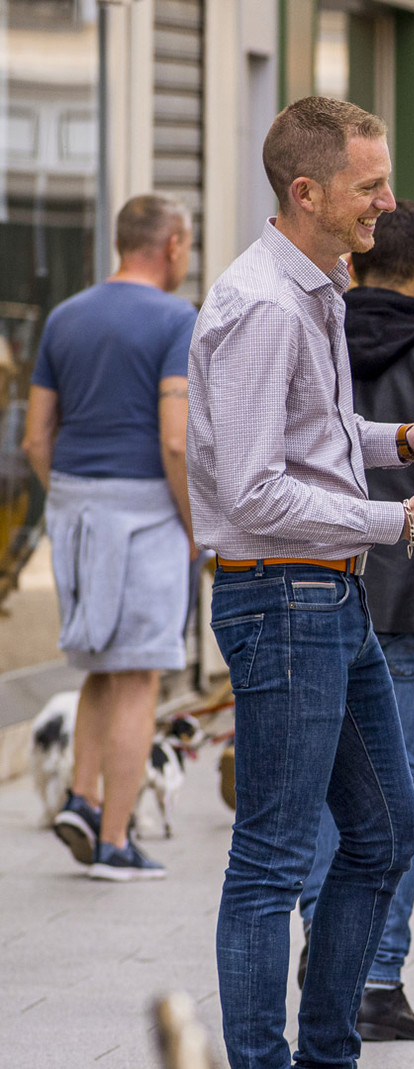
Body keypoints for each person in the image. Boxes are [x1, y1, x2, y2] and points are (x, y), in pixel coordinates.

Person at [188, 96, 414, 1069]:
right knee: (273, 858)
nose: (388, 203)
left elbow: (316, 444)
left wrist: (404, 441)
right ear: (306, 192)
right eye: (370, 187)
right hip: (282, 595)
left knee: (382, 831)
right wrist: (401, 518)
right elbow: (252, 487)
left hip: (325, 594)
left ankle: (328, 1051)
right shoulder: (264, 307)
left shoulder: (318, 291)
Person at [296, 199, 414, 1042]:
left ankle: (322, 946)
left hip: (315, 575)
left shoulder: (315, 328)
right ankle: (374, 975)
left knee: (314, 786)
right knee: (399, 790)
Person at [21, 193, 197, 881]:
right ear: (174, 244)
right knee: (141, 673)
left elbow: (38, 435)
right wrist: (192, 525)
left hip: (73, 503)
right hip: (145, 507)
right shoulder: (176, 318)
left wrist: (66, 493)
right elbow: (176, 443)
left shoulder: (66, 315)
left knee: (100, 663)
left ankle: (83, 800)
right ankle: (116, 841)